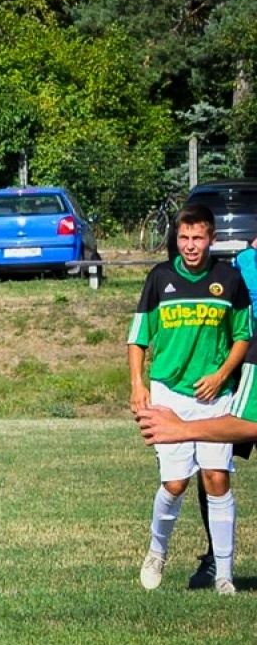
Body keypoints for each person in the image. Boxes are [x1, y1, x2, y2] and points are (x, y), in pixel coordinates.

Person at [128, 203, 249, 597]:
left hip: (215, 394)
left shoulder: (229, 279)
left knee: (217, 478)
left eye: (198, 238)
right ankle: (157, 551)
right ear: (175, 239)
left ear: (211, 239)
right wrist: (137, 384)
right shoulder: (159, 278)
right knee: (176, 483)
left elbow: (242, 336)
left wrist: (220, 375)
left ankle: (225, 575)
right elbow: (139, 337)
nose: (191, 246)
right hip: (168, 393)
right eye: (184, 238)